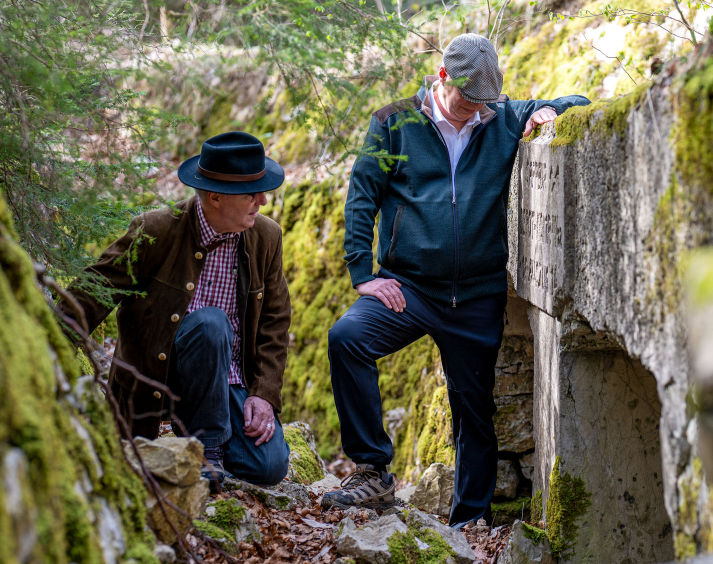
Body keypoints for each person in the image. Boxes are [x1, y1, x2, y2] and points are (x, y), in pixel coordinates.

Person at [322, 33, 590, 525]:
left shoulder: (500, 117)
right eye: (468, 99)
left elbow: (580, 102)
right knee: (347, 339)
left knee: (474, 411)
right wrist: (363, 274)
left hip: (477, 295)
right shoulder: (393, 123)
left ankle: (469, 523)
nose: (475, 109)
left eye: (484, 100)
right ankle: (373, 472)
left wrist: (547, 111)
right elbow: (361, 198)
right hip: (409, 288)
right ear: (442, 75)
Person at [60, 131, 292, 491]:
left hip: (225, 378)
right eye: (252, 193)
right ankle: (206, 449)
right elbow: (95, 291)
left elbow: (275, 322)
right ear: (215, 197)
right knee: (211, 324)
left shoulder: (267, 236)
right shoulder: (156, 230)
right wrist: (51, 345)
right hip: (156, 378)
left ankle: (208, 438)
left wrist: (263, 392)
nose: (262, 200)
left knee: (269, 467)